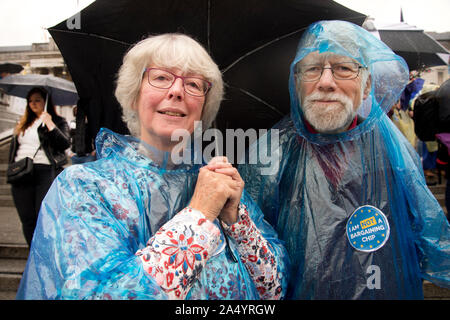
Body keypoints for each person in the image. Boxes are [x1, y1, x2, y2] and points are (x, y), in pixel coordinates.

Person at [16, 34, 288, 300]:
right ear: (134, 96)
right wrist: (199, 216)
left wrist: (237, 222)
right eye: (160, 77)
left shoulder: (222, 184)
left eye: (193, 84)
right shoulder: (83, 188)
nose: (177, 91)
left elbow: (273, 290)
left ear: (204, 107)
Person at [240, 20, 450, 299]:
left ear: (366, 87)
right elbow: (250, 249)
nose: (326, 82)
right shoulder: (271, 155)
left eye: (343, 68)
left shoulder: (390, 148)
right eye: (313, 68)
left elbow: (430, 236)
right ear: (297, 82)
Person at [8, 87, 70, 247]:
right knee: (27, 218)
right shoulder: (23, 123)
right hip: (22, 173)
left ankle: (44, 253)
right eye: (30, 101)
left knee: (43, 217)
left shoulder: (57, 121)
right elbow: (14, 150)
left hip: (45, 171)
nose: (33, 104)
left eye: (37, 100)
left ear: (45, 102)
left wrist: (49, 123)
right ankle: (32, 254)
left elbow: (64, 143)